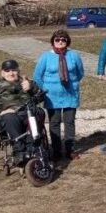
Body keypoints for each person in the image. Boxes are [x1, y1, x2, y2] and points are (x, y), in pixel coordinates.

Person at [33, 29, 84, 161]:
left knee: (69, 122)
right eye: (57, 39)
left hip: (70, 94)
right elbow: (37, 76)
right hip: (52, 96)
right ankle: (56, 150)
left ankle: (70, 149)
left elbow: (80, 73)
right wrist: (45, 89)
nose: (60, 42)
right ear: (53, 41)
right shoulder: (46, 56)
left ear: (67, 42)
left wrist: (72, 83)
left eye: (63, 40)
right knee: (54, 122)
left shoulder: (74, 55)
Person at [0, 59, 42, 163]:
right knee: (10, 117)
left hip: (27, 112)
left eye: (14, 70)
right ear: (2, 73)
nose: (11, 73)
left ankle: (35, 148)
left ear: (18, 71)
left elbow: (41, 96)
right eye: (7, 71)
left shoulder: (26, 82)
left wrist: (32, 88)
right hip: (7, 115)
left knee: (39, 112)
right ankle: (19, 150)